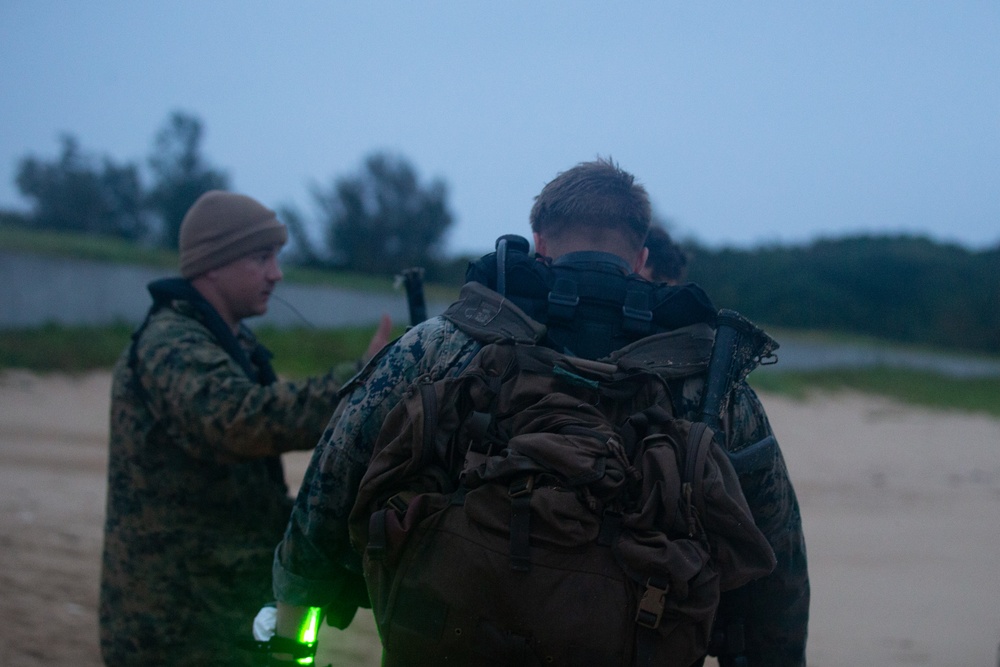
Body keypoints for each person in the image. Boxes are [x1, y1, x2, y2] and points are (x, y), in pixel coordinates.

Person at [271, 159, 809, 665]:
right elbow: (776, 558)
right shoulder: (710, 385)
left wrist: (297, 626)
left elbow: (334, 476)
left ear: (539, 244)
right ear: (642, 258)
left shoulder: (440, 346)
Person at [99, 190, 391, 666]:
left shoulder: (231, 342)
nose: (276, 273)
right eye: (262, 257)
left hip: (221, 609)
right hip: (173, 627)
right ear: (213, 264)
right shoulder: (170, 341)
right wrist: (357, 385)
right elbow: (238, 421)